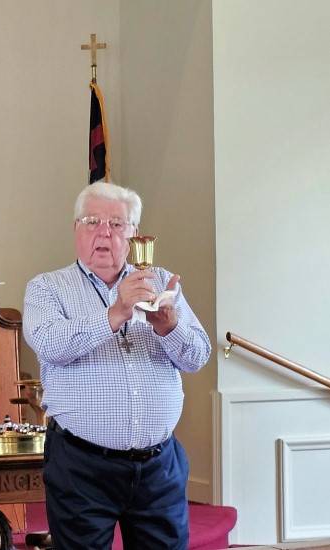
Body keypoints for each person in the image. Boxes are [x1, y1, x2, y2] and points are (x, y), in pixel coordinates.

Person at [23, 182, 211, 549]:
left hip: (159, 466)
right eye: (92, 222)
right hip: (82, 466)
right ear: (76, 229)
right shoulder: (48, 288)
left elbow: (197, 356)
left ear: (134, 234)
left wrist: (169, 326)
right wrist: (117, 312)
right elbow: (49, 344)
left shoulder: (160, 282)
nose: (104, 233)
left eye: (116, 224)